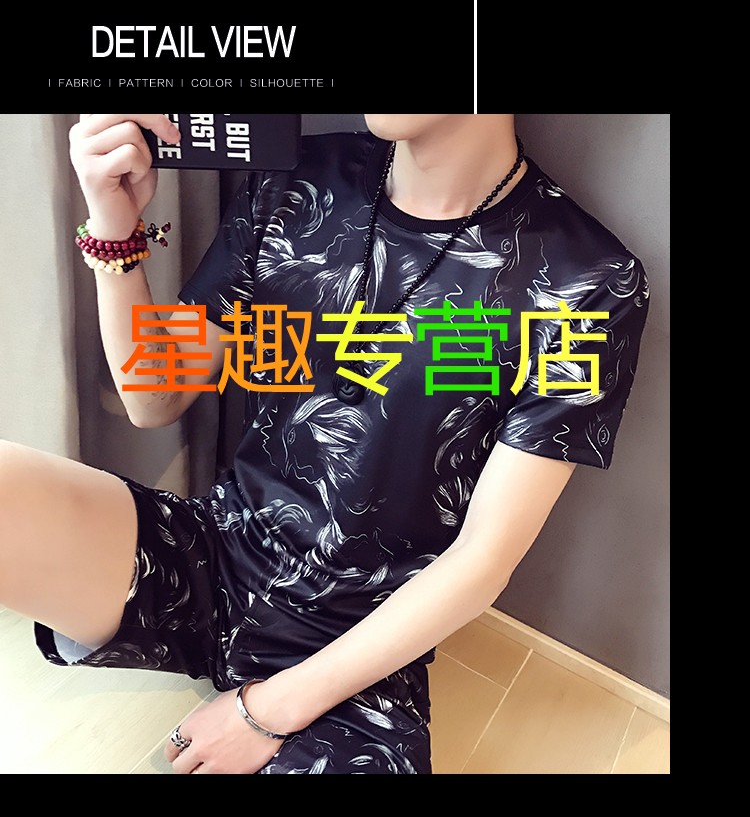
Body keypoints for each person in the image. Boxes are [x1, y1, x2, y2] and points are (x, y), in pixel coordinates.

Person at [0, 114, 650, 775]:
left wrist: (265, 711)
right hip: (213, 553)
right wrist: (115, 229)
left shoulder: (589, 282)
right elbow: (156, 397)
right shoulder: (296, 180)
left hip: (358, 641)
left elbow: (484, 556)